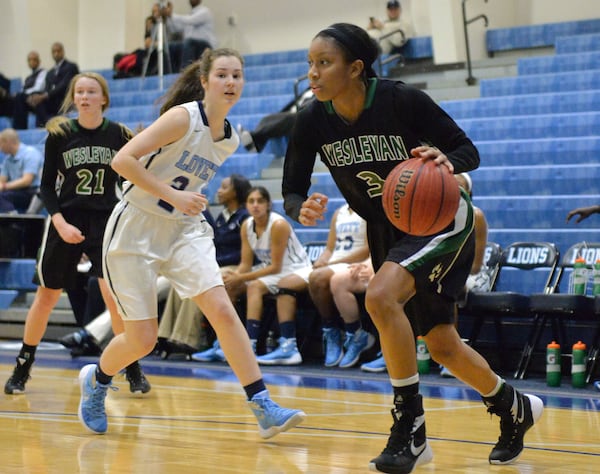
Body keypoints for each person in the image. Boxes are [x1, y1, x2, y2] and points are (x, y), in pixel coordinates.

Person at [281, 23, 543, 472]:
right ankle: (513, 407)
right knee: (442, 345)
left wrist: (448, 160)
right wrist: (299, 207)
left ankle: (411, 429)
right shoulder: (311, 119)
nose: (313, 73)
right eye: (310, 63)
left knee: (380, 298)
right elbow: (292, 187)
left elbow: (467, 150)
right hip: (386, 227)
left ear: (356, 68)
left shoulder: (400, 99)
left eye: (324, 63)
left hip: (440, 219)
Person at [77, 49, 305, 438]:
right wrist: (172, 194)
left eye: (237, 75)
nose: (231, 82)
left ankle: (261, 403)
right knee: (142, 339)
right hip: (136, 226)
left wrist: (181, 202)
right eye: (222, 75)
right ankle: (96, 381)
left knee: (220, 305)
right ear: (205, 81)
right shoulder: (183, 117)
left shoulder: (230, 137)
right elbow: (123, 161)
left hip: (183, 228)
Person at [3, 72, 151, 396]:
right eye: (79, 92)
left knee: (113, 297)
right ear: (74, 98)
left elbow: (135, 176)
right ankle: (23, 366)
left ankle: (132, 367)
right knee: (47, 296)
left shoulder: (119, 134)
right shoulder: (59, 133)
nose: (84, 97)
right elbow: (45, 187)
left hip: (105, 221)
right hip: (65, 218)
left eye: (91, 91)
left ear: (103, 99)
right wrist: (59, 222)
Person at [194, 186, 311, 365]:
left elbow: (275, 266)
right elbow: (246, 264)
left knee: (255, 286)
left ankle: (251, 345)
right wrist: (233, 277)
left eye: (260, 201)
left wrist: (241, 278)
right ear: (246, 205)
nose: (255, 205)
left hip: (295, 269)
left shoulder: (278, 224)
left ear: (268, 204)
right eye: (251, 201)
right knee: (227, 286)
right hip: (271, 270)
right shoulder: (247, 226)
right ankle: (225, 343)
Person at [266, 201, 371, 367]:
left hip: (352, 264)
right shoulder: (339, 212)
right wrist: (322, 259)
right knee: (285, 284)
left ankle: (334, 331)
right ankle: (289, 346)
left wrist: (333, 263)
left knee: (317, 278)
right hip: (333, 264)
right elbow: (330, 248)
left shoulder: (367, 209)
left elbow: (367, 248)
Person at [158, 174, 252, 357]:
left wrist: (205, 211)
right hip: (216, 266)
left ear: (236, 192)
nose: (219, 191)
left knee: (200, 283)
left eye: (224, 187)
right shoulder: (222, 218)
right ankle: (166, 335)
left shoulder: (245, 217)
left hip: (235, 267)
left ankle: (188, 339)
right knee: (181, 285)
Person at [13, 42, 79, 130]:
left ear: (63, 52)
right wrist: (35, 97)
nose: (56, 53)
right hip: (52, 101)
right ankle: (25, 129)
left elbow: (64, 85)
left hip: (64, 100)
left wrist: (45, 96)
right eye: (54, 52)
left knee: (40, 98)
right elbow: (47, 88)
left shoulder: (71, 66)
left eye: (58, 51)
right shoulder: (50, 72)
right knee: (34, 99)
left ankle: (46, 125)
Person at [327, 255, 376, 368]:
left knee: (378, 281)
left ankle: (392, 350)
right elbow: (377, 250)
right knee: (338, 281)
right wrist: (365, 265)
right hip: (382, 263)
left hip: (404, 265)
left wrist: (377, 269)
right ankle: (357, 336)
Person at [237, 89, 314, 154]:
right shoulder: (308, 90)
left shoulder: (321, 93)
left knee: (288, 119)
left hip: (304, 117)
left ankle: (255, 140)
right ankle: (256, 144)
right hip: (293, 112)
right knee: (267, 119)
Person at [0, 128, 43, 213]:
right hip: (17, 192)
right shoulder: (7, 160)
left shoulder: (30, 153)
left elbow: (27, 181)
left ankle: (14, 221)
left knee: (3, 196)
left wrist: (4, 186)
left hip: (33, 192)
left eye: (0, 143)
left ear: (7, 142)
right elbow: (1, 181)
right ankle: (12, 219)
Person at [165, 0, 217, 71]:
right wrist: (167, 17)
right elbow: (174, 29)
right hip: (191, 45)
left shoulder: (205, 12)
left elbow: (190, 20)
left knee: (188, 42)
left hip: (205, 45)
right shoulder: (189, 15)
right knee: (172, 46)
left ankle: (185, 71)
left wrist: (171, 15)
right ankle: (172, 73)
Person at [0, 51, 47, 119]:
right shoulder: (28, 77)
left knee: (19, 97)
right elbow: (23, 89)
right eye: (29, 60)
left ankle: (19, 127)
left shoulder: (43, 72)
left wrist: (21, 94)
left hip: (34, 98)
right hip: (23, 98)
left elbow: (38, 88)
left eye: (34, 59)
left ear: (39, 61)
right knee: (6, 101)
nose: (32, 62)